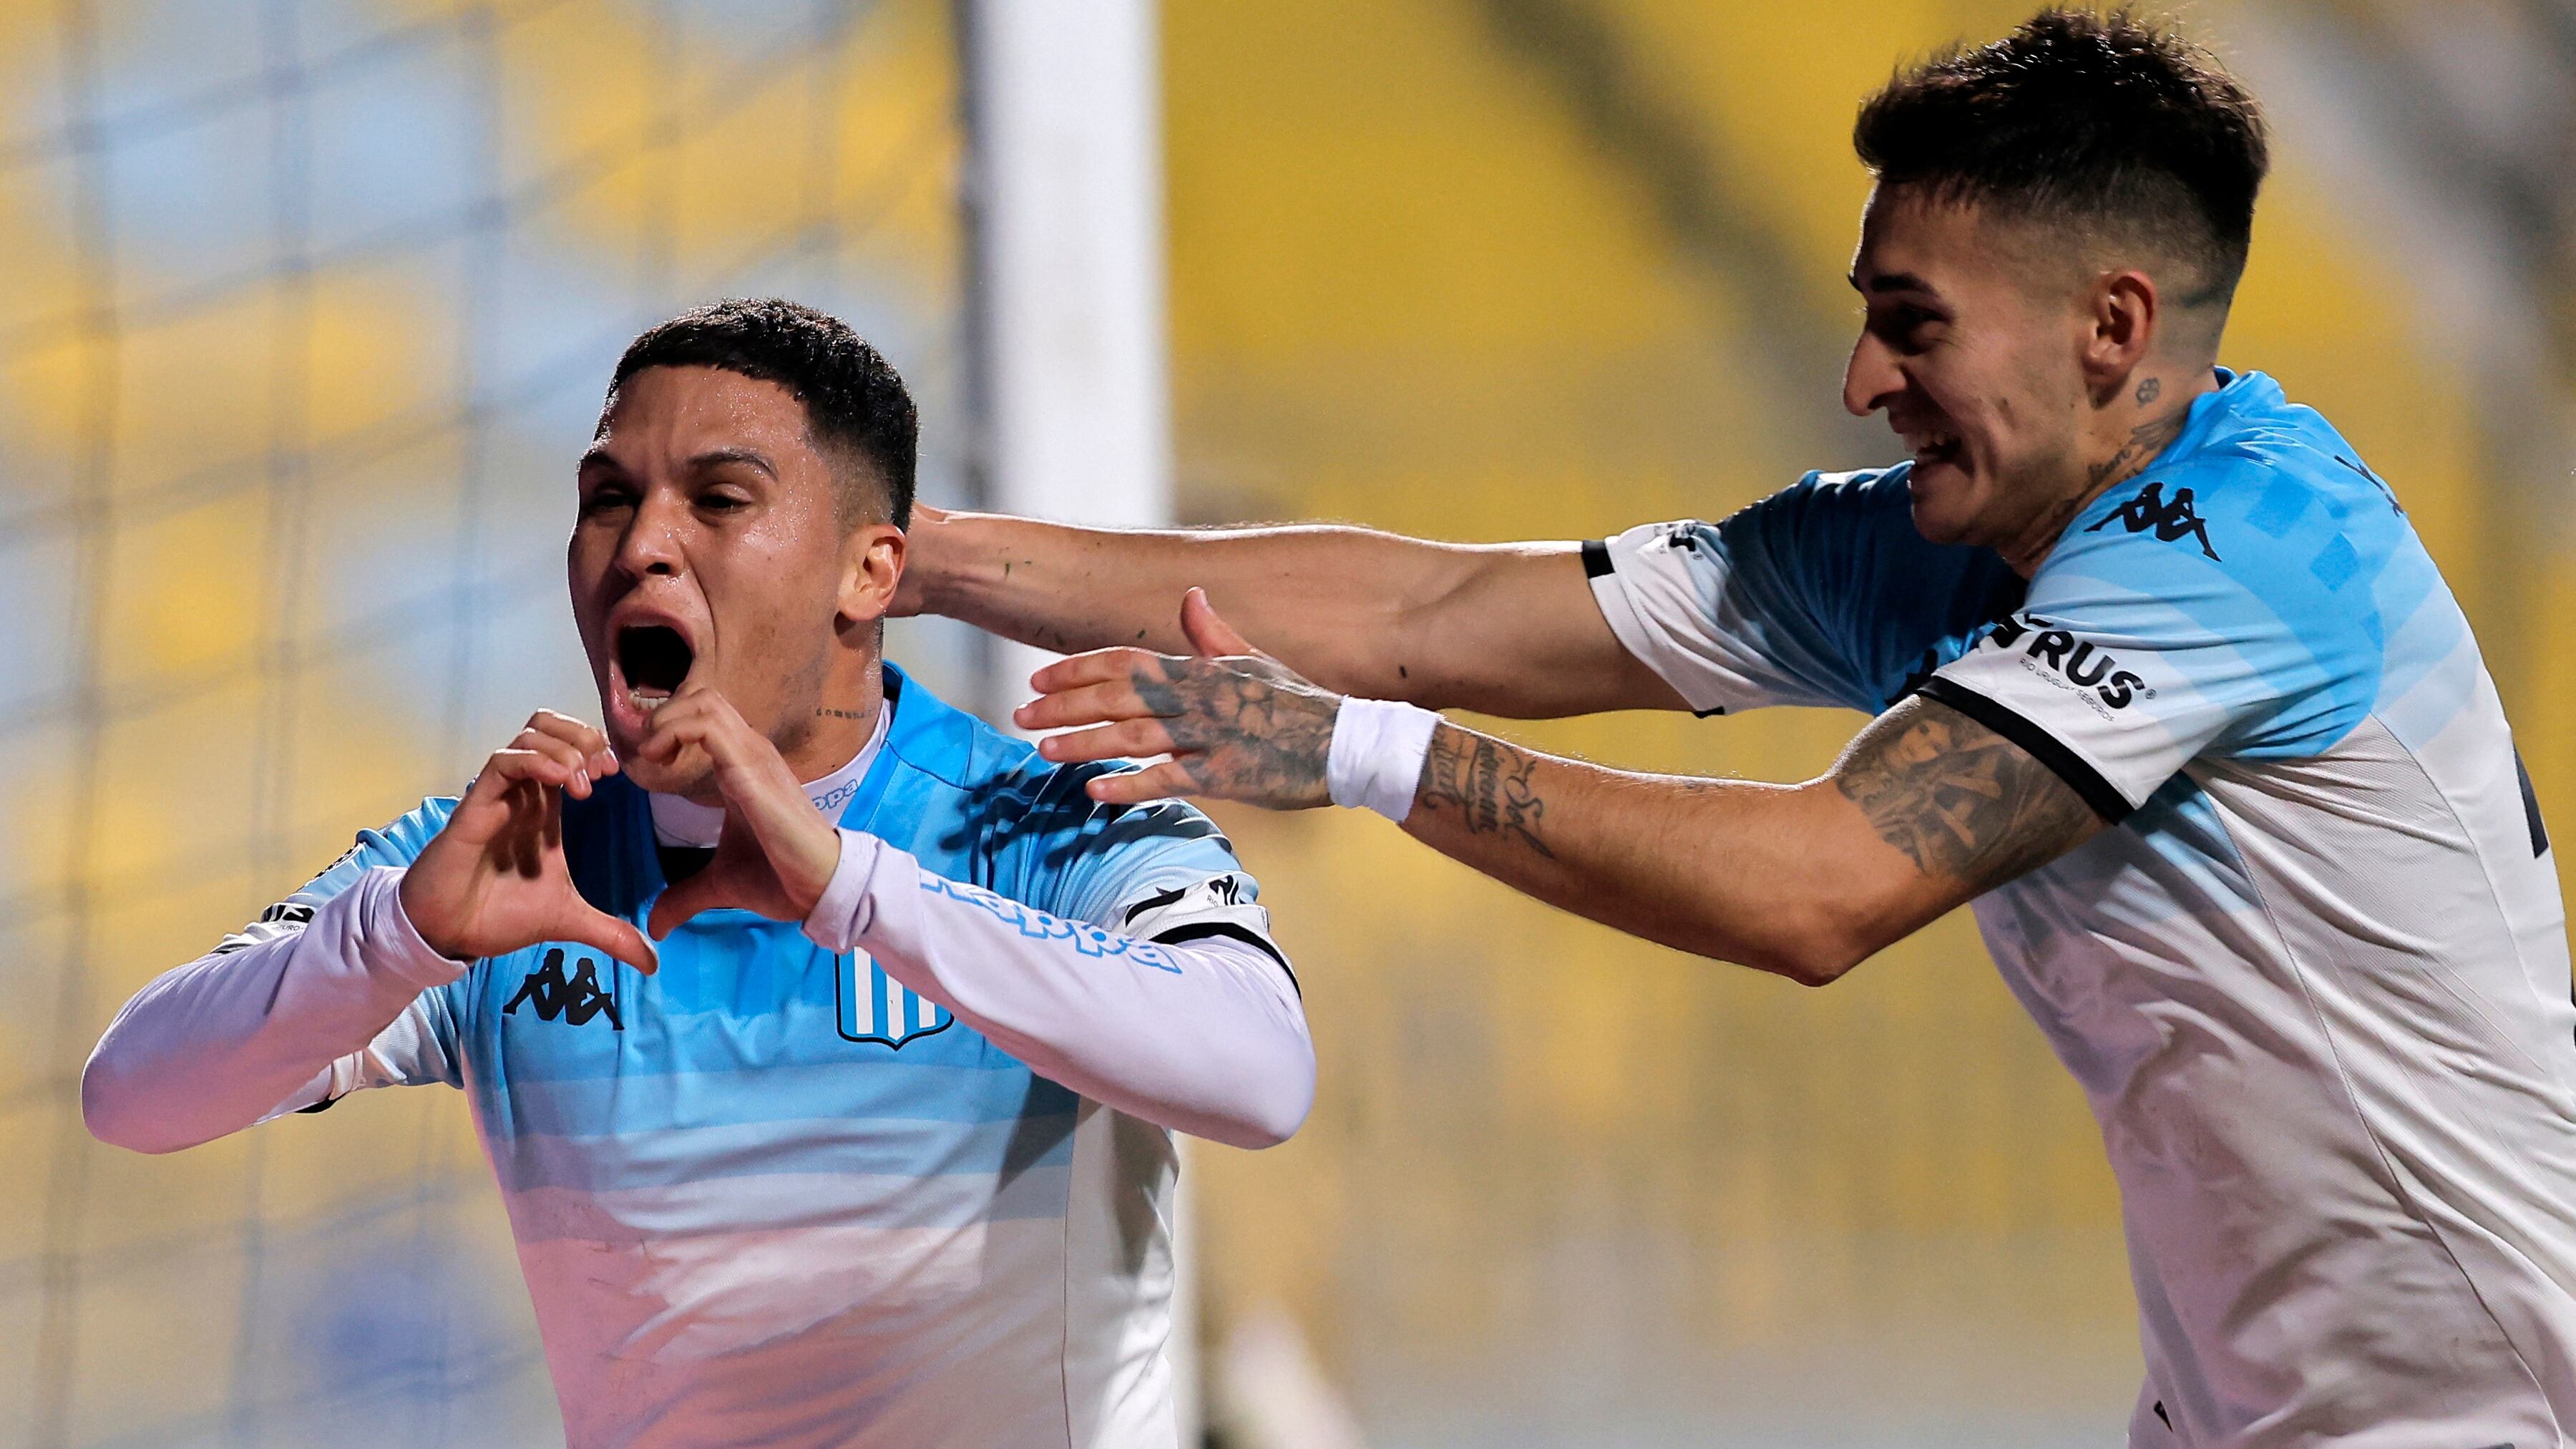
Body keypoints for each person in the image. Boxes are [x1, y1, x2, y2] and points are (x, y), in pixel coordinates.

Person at [897, 11, 2576, 1445]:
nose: (1860, 376)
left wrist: (1345, 750)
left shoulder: (2252, 555)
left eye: (1914, 322)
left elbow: (1815, 891)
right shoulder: (1922, 544)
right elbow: (1431, 615)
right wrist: (915, 558)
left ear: (2112, 329)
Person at [83, 298, 1314, 1448]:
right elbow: (133, 1095)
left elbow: (1263, 1072)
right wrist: (395, 938)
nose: (643, 546)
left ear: (870, 569)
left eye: (719, 499)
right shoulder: (500, 863)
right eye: (609, 498)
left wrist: (853, 887)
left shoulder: (1048, 821)